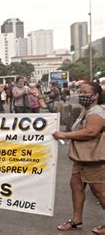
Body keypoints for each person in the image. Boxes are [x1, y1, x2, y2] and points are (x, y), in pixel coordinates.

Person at [53, 81, 105, 233]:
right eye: (80, 92)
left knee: (99, 191)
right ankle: (76, 220)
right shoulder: (87, 110)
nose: (81, 95)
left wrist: (65, 135)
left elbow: (90, 132)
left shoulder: (96, 112)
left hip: (94, 159)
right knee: (76, 186)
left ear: (95, 96)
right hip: (81, 159)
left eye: (85, 92)